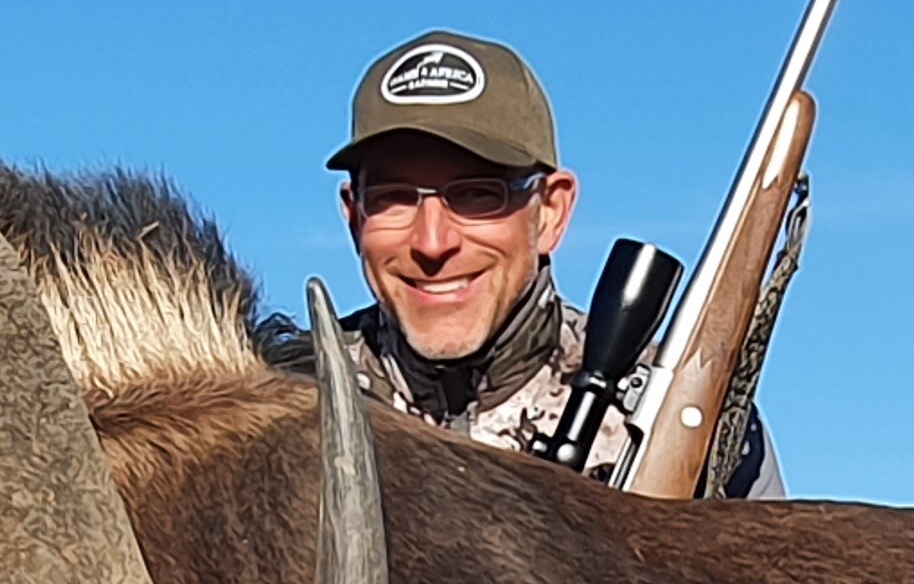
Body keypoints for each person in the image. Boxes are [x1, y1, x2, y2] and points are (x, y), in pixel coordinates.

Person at [326, 30, 778, 497]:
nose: (433, 242)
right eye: (393, 199)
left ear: (551, 213)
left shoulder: (683, 412)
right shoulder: (287, 402)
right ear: (354, 214)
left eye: (477, 195)